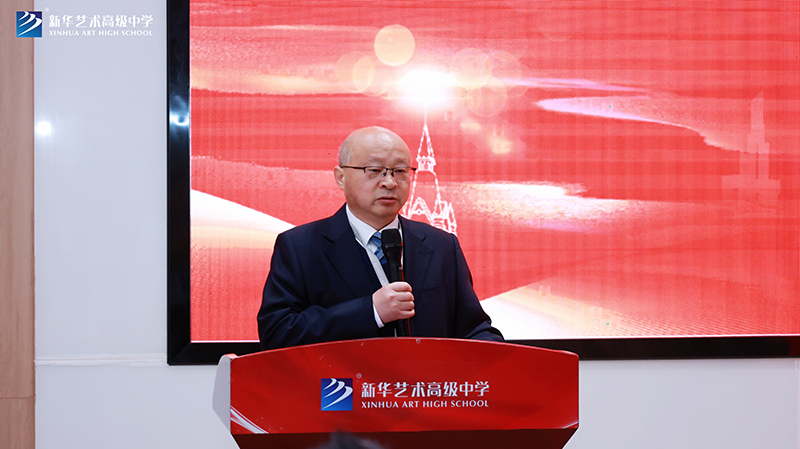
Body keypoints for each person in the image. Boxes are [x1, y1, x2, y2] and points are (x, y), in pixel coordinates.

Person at [257, 126, 503, 350]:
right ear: (341, 177)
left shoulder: (441, 245)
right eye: (374, 171)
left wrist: (500, 359)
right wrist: (371, 311)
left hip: (425, 385)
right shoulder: (300, 246)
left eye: (400, 171)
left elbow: (472, 329)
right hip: (342, 384)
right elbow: (278, 333)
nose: (389, 182)